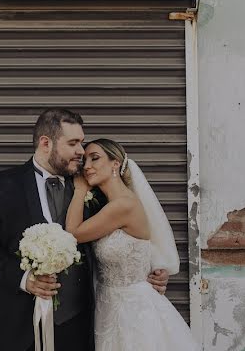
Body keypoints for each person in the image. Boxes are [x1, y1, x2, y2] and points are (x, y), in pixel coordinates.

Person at [0, 109, 170, 351]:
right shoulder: (2, 185)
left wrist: (150, 271)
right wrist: (25, 279)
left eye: (82, 143)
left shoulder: (94, 191)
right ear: (45, 143)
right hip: (13, 327)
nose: (81, 152)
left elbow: (128, 236)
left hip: (77, 328)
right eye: (73, 143)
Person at [65, 138, 199, 351]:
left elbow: (73, 233)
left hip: (133, 311)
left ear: (115, 164)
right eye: (85, 161)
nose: (87, 166)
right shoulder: (107, 204)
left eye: (95, 158)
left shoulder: (124, 205)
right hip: (109, 305)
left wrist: (80, 190)